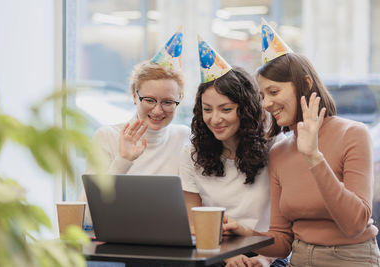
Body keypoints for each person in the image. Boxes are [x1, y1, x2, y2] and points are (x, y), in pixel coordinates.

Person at [223, 19, 380, 267]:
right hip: (299, 259)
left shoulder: (354, 134)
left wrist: (314, 156)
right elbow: (283, 240)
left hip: (351, 259)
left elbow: (355, 223)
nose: (265, 104)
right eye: (262, 96)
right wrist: (246, 234)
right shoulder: (279, 151)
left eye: (274, 92)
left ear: (305, 84)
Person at [180, 36, 287, 267]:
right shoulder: (192, 153)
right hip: (213, 252)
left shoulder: (277, 148)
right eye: (207, 110)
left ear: (246, 110)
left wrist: (264, 258)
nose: (214, 119)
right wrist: (225, 255)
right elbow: (192, 224)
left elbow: (286, 229)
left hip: (266, 251)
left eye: (225, 109)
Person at [81, 28, 190, 228]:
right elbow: (87, 216)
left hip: (167, 237)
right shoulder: (107, 136)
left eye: (167, 102)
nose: (158, 111)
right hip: (116, 239)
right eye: (149, 100)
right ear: (134, 96)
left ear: (179, 101)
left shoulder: (184, 137)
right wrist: (123, 160)